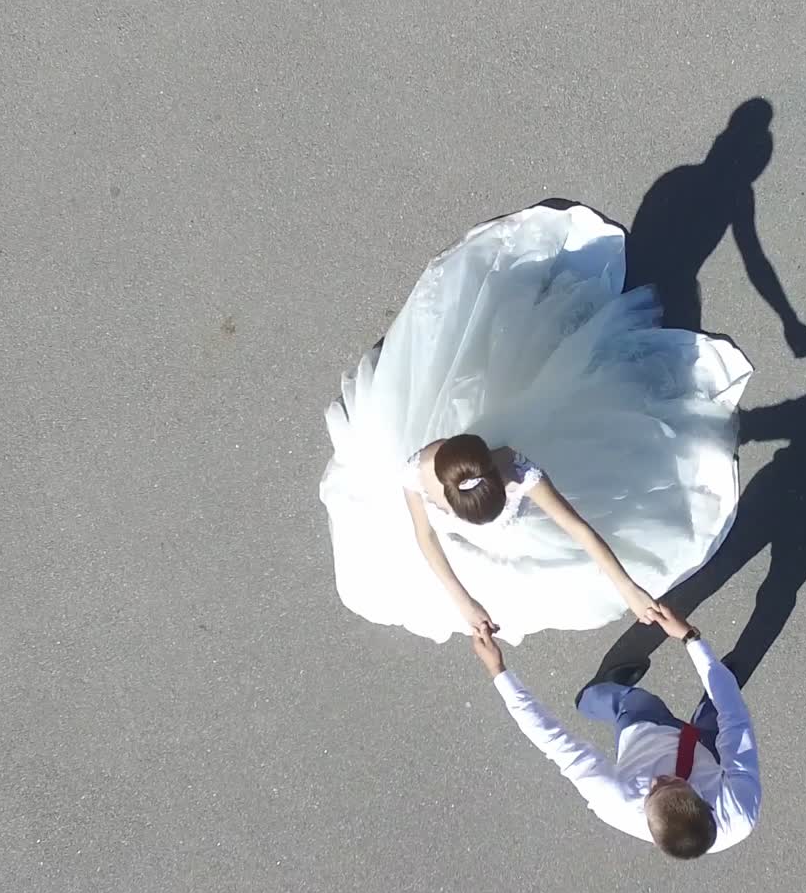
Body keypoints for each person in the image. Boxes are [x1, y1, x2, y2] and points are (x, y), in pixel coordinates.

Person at [320, 203, 752, 644]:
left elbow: (579, 528)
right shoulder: (419, 471)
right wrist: (463, 602)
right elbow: (425, 537)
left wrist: (628, 588)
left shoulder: (519, 469)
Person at [473, 602, 761, 857]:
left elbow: (553, 741)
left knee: (636, 702)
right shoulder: (739, 810)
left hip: (646, 730)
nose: (657, 780)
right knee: (723, 702)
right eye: (673, 783)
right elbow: (735, 717)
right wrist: (689, 637)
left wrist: (498, 672)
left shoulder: (614, 799)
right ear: (705, 802)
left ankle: (591, 697)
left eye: (652, 793)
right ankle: (716, 684)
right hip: (706, 750)